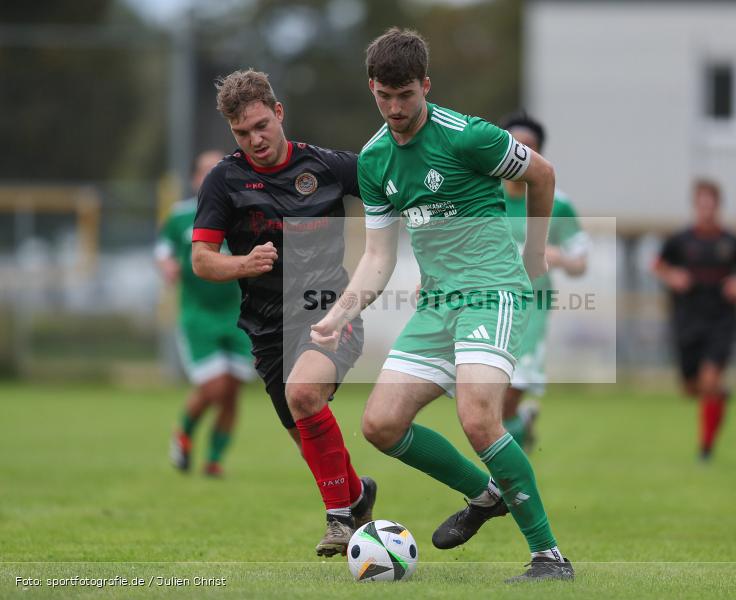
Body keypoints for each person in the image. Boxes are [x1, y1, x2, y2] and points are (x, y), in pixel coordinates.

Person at [311, 28, 574, 582]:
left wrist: (532, 250)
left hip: (492, 291)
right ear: (372, 89)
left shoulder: (467, 136)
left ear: (425, 85)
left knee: (478, 417)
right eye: (384, 96)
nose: (395, 108)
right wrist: (340, 313)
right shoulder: (375, 160)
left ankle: (549, 557)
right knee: (380, 425)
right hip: (436, 304)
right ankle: (486, 495)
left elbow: (542, 174)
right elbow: (379, 258)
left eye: (405, 95)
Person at [190, 69, 376, 557]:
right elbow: (201, 259)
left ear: (278, 113)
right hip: (267, 328)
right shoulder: (223, 180)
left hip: (328, 311)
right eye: (241, 133)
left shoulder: (330, 166)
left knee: (304, 392)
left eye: (260, 126)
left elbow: (392, 184)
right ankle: (357, 497)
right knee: (307, 438)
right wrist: (242, 264)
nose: (254, 140)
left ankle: (339, 521)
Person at [158, 150, 255, 477]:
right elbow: (163, 252)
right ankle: (183, 432)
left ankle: (214, 460)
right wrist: (168, 266)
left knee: (232, 391)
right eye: (204, 171)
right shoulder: (180, 216)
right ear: (194, 178)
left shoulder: (242, 212)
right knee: (215, 388)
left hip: (239, 314)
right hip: (198, 315)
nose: (211, 176)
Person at [500, 112, 589, 451]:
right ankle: (519, 430)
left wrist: (558, 255)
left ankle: (510, 484)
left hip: (532, 309)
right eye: (514, 147)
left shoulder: (558, 203)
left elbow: (580, 262)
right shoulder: (482, 194)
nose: (521, 155)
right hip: (485, 306)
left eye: (530, 148)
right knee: (486, 403)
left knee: (509, 393)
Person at [653, 179, 736, 461]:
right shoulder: (680, 241)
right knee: (690, 388)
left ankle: (706, 449)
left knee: (710, 379)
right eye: (702, 203)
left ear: (718, 206)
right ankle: (718, 396)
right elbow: (658, 265)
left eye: (711, 203)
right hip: (688, 318)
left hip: (722, 319)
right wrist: (672, 276)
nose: (706, 209)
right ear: (695, 205)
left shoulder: (733, 242)